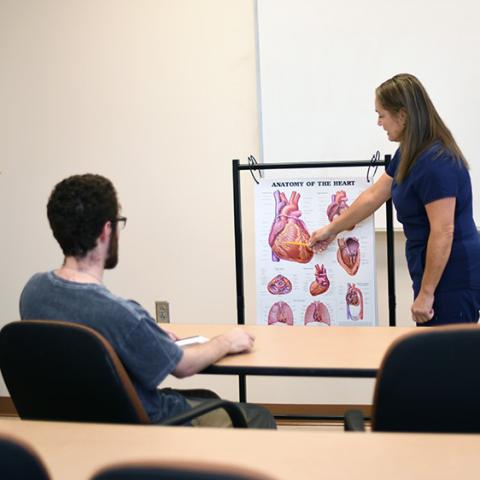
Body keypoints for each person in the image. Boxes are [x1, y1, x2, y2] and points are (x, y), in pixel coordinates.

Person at [19, 174, 276, 428]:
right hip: (142, 426)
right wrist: (227, 341)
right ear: (106, 230)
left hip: (76, 423)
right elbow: (184, 367)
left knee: (209, 399)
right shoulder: (120, 314)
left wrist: (148, 335)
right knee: (258, 416)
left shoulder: (33, 291)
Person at [309, 73, 480, 326]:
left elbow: (443, 230)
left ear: (402, 115)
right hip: (431, 271)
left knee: (448, 360)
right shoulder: (410, 152)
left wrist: (426, 293)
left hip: (452, 276)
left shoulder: (436, 162)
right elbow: (373, 196)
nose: (379, 123)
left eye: (381, 115)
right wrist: (332, 229)